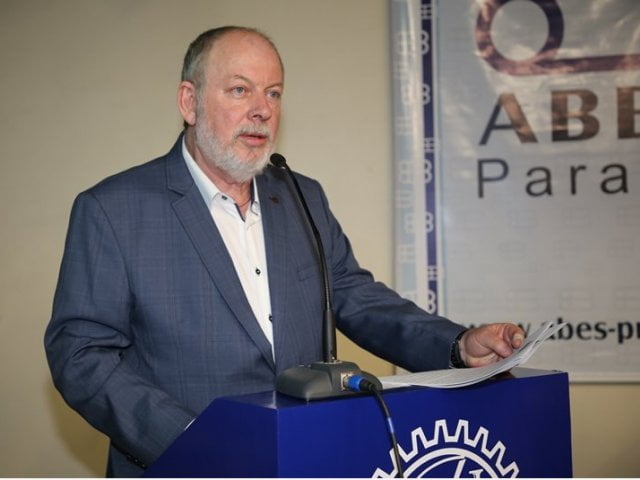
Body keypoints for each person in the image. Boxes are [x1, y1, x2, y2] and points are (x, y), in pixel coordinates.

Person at [44, 26, 524, 477]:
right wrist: (190, 439)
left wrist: (457, 344)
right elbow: (81, 355)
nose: (262, 110)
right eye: (240, 90)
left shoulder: (300, 195)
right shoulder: (113, 209)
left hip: (308, 457)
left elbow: (355, 296)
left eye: (273, 93)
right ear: (189, 102)